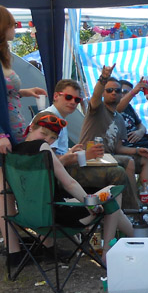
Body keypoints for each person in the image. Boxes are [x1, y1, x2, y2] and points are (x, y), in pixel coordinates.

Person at [0, 4, 47, 271]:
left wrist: (25, 91)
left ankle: (27, 244)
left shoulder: (2, 56)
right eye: (11, 23)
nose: (15, 28)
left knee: (16, 190)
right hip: (5, 138)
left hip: (16, 133)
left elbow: (2, 94)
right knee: (6, 191)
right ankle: (13, 251)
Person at [12, 112, 134, 264]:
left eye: (52, 138)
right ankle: (110, 252)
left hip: (31, 217)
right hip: (60, 218)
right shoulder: (42, 148)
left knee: (104, 199)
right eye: (43, 134)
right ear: (31, 128)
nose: (47, 140)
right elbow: (69, 183)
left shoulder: (14, 152)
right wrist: (90, 204)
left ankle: (138, 238)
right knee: (113, 192)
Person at [79, 65, 148, 212]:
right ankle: (134, 206)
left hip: (110, 156)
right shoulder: (97, 109)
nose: (114, 93)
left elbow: (118, 148)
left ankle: (147, 200)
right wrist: (103, 78)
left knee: (147, 158)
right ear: (104, 93)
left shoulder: (119, 118)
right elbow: (96, 96)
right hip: (91, 156)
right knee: (128, 161)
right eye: (109, 90)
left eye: (117, 91)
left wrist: (138, 150)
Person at [44, 78, 139, 211]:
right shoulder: (50, 119)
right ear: (56, 96)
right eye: (68, 97)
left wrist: (73, 152)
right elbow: (48, 161)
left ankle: (132, 210)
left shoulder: (59, 118)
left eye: (76, 100)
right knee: (117, 173)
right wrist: (83, 156)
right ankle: (128, 213)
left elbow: (56, 155)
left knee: (128, 163)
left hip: (65, 169)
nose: (72, 102)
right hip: (58, 176)